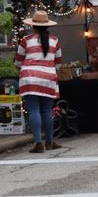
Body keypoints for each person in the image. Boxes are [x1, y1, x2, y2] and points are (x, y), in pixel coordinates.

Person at [14, 10, 63, 153]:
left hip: (29, 79)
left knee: (34, 110)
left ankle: (38, 144)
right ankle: (50, 142)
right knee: (47, 110)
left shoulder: (26, 40)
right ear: (47, 25)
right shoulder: (55, 40)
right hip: (48, 79)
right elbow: (58, 62)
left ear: (33, 25)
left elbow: (18, 62)